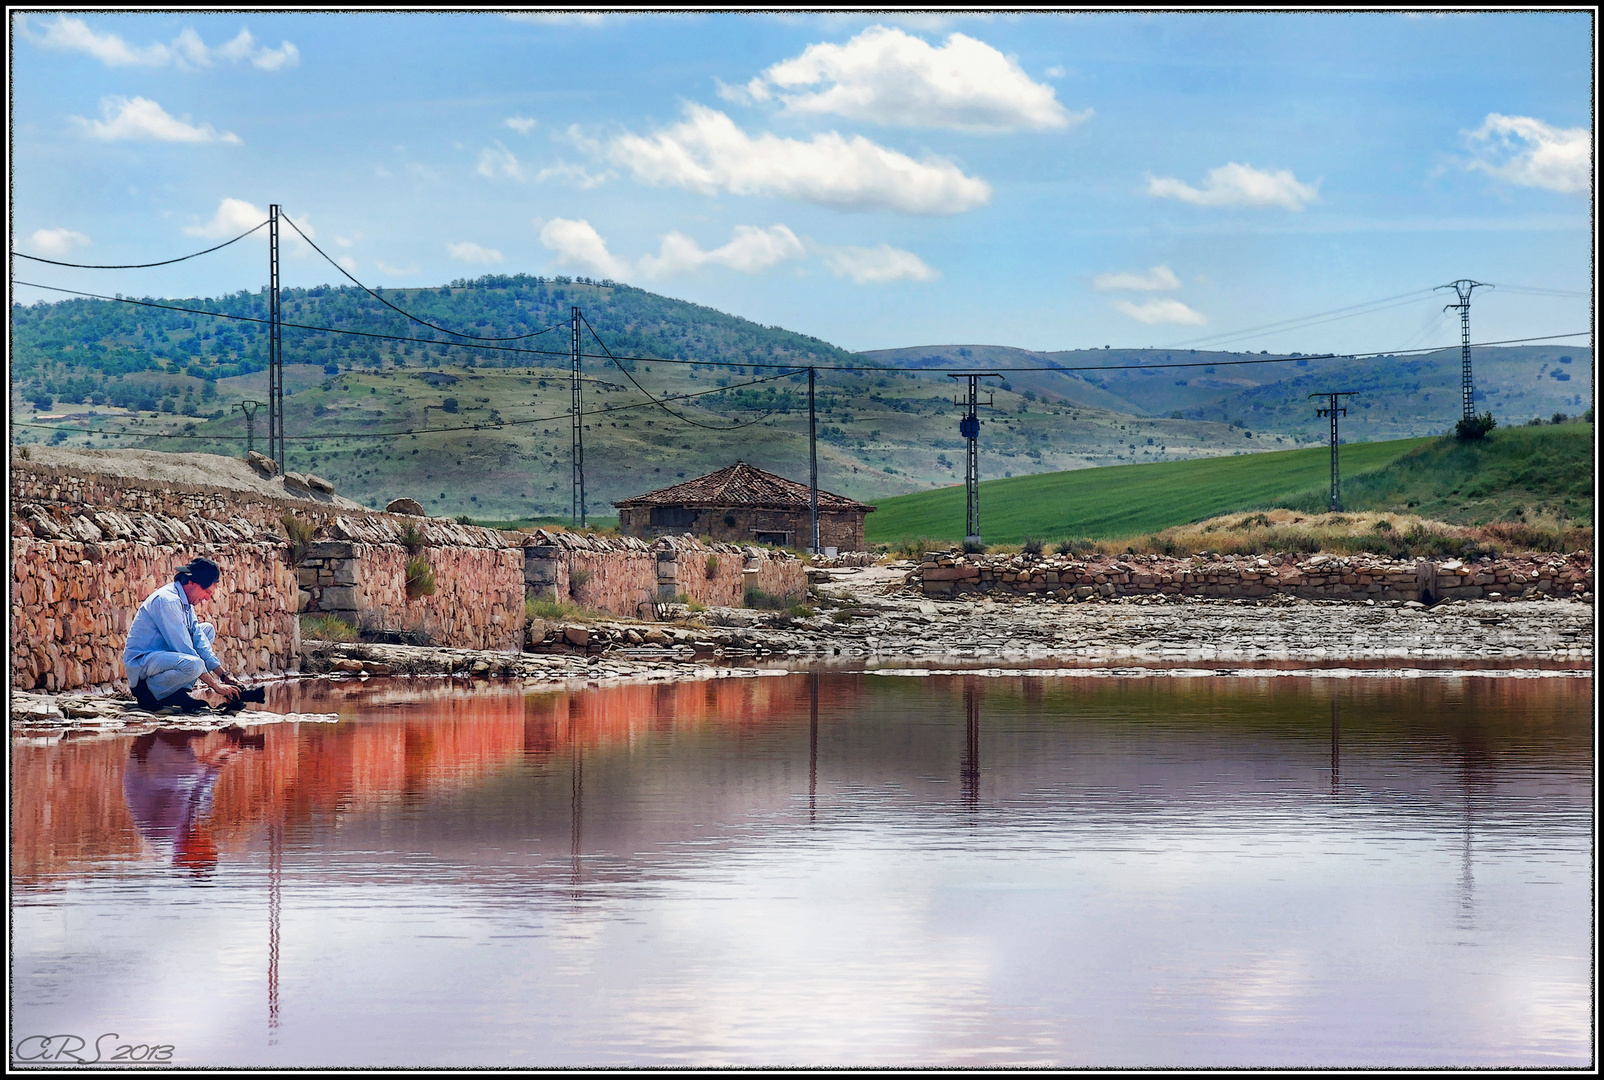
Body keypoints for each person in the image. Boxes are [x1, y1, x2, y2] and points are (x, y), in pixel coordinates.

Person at [123, 557, 246, 713]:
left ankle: (175, 693)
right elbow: (185, 649)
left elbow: (198, 641)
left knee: (206, 630)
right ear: (192, 583)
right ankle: (149, 693)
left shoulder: (185, 602)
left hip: (162, 659)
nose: (207, 598)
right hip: (143, 665)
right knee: (194, 664)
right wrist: (216, 686)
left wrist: (224, 676)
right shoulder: (168, 600)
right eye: (207, 592)